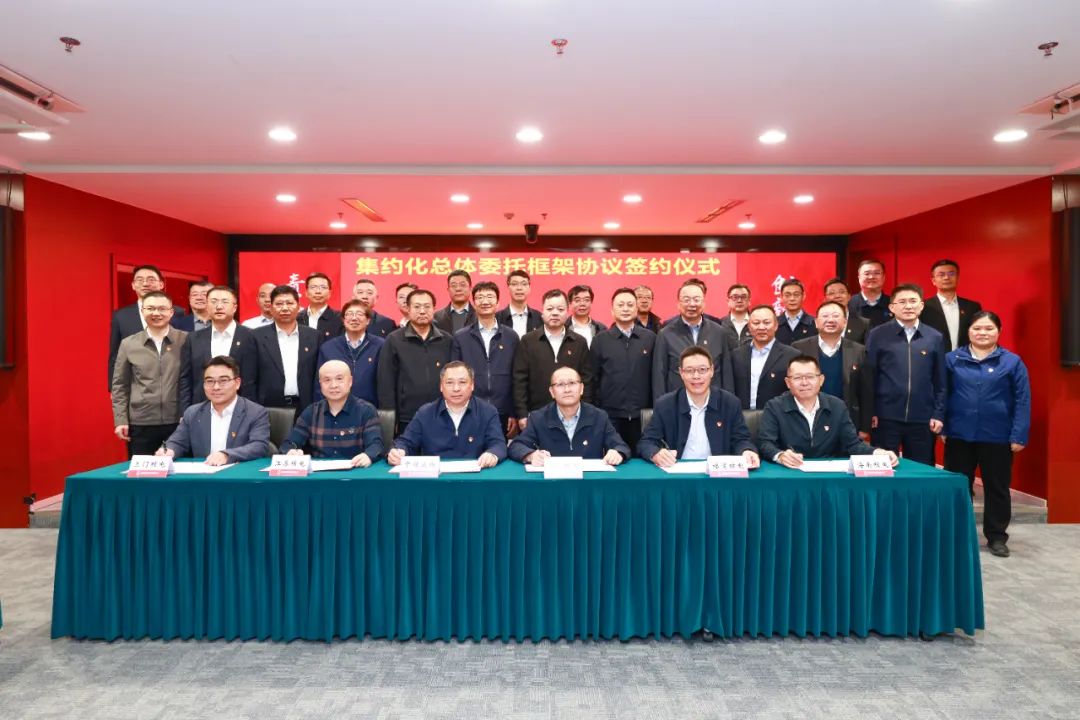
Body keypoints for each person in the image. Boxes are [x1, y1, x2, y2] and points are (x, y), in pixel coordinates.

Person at [944, 311, 1030, 557]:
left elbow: (1023, 400)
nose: (982, 333)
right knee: (959, 487)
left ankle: (997, 537)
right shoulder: (952, 359)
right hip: (959, 435)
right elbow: (943, 394)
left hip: (998, 436)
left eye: (988, 328)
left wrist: (1019, 434)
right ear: (968, 331)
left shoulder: (1012, 362)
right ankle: (958, 534)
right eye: (977, 328)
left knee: (997, 488)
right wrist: (944, 426)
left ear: (999, 332)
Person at [758, 355, 898, 468]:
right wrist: (780, 455)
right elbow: (765, 443)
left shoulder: (837, 406)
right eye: (797, 378)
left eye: (810, 377)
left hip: (828, 474)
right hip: (790, 471)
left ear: (821, 380)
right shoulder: (774, 406)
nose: (804, 382)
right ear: (788, 383)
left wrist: (878, 453)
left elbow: (852, 445)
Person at [865, 284, 946, 466]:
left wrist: (938, 413)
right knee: (883, 470)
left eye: (913, 301)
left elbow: (940, 380)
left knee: (921, 471)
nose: (908, 306)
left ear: (921, 305)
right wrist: (872, 412)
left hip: (922, 418)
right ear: (892, 307)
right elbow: (870, 377)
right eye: (902, 302)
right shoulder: (878, 334)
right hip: (885, 417)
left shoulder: (934, 337)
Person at [638, 347, 760, 468]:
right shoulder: (665, 405)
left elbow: (741, 440)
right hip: (678, 471)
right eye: (689, 370)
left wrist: (746, 451)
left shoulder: (730, 403)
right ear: (681, 373)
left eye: (702, 370)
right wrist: (656, 454)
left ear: (711, 371)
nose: (696, 376)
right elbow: (646, 442)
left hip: (717, 473)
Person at [111, 291, 189, 457]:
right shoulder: (128, 344)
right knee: (143, 471)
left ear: (171, 312)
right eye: (150, 308)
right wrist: (120, 420)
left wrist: (189, 415)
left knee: (180, 470)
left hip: (178, 421)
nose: (156, 313)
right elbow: (120, 385)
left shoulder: (186, 340)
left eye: (162, 308)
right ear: (142, 311)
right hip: (141, 423)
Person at [388, 361, 505, 467]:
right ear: (441, 386)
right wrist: (399, 451)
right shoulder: (425, 413)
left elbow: (498, 444)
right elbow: (405, 442)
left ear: (472, 385)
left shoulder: (488, 411)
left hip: (475, 478)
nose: (456, 388)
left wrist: (492, 454)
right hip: (436, 478)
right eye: (449, 383)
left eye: (462, 382)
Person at [158, 356, 270, 464]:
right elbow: (177, 442)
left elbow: (259, 446)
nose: (216, 387)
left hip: (239, 473)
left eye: (223, 381)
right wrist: (168, 450)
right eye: (210, 381)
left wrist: (226, 455)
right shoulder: (193, 413)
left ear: (237, 383)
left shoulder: (255, 412)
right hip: (204, 473)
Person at [509, 367, 630, 465]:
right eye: (560, 384)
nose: (567, 389)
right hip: (552, 482)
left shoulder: (599, 417)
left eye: (572, 383)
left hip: (589, 481)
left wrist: (617, 453)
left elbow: (621, 446)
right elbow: (516, 446)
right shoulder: (538, 418)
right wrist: (531, 455)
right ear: (552, 391)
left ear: (581, 388)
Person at [512, 289, 594, 427]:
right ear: (542, 312)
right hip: (536, 415)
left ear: (567, 312)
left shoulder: (579, 342)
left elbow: (587, 380)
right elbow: (519, 380)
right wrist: (522, 414)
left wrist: (586, 411)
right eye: (550, 309)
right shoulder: (528, 341)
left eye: (560, 309)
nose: (555, 313)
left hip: (573, 414)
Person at [280, 360, 384, 466]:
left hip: (355, 470)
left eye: (339, 379)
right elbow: (289, 443)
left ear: (350, 381)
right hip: (320, 473)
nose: (333, 385)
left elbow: (376, 445)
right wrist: (291, 451)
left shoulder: (366, 411)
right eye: (327, 380)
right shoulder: (311, 412)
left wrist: (368, 456)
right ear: (320, 384)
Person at [377, 288, 454, 432]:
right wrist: (390, 417)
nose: (422, 311)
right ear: (408, 309)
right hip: (407, 417)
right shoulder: (394, 340)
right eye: (417, 307)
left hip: (442, 414)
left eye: (427, 306)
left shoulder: (446, 340)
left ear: (434, 308)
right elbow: (385, 381)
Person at [792, 300, 873, 437]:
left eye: (836, 316)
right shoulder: (799, 348)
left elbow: (866, 390)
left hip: (847, 419)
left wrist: (865, 427)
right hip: (806, 418)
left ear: (845, 322)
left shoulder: (859, 350)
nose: (830, 320)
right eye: (825, 316)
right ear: (816, 322)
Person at [590, 287, 656, 449]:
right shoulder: (600, 340)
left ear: (636, 309)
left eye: (630, 305)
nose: (625, 309)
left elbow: (656, 376)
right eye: (620, 305)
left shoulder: (650, 338)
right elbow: (593, 378)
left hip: (642, 415)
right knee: (613, 456)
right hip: (610, 415)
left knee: (643, 457)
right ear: (612, 310)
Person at [451, 281, 520, 435]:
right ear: (474, 303)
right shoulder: (461, 337)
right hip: (469, 409)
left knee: (499, 448)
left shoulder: (511, 337)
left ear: (498, 302)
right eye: (480, 297)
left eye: (490, 297)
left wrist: (513, 412)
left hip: (502, 411)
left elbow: (517, 376)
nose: (485, 301)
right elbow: (455, 376)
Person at [652, 280, 736, 401]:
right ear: (678, 304)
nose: (692, 304)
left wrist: (728, 402)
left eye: (696, 300)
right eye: (686, 300)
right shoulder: (665, 334)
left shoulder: (719, 332)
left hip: (713, 401)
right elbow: (659, 374)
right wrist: (661, 405)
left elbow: (726, 372)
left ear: (704, 303)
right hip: (678, 402)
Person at [178, 285, 259, 412]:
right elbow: (185, 379)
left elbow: (256, 378)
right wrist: (185, 411)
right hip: (201, 408)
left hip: (241, 408)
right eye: (214, 301)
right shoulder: (193, 339)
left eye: (225, 302)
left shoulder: (251, 337)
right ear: (207, 306)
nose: (219, 306)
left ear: (234, 307)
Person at [107, 264, 186, 388]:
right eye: (140, 280)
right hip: (135, 384)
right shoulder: (120, 316)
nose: (145, 284)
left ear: (161, 284)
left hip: (171, 384)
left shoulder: (178, 312)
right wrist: (113, 388)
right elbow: (115, 356)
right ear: (133, 285)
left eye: (151, 279)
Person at [252, 285, 319, 411]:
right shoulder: (256, 336)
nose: (284, 308)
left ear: (298, 307)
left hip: (306, 406)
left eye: (289, 303)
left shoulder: (314, 336)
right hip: (267, 407)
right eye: (279, 304)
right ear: (271, 308)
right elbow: (250, 378)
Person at [731, 305, 801, 410]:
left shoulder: (792, 356)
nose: (761, 327)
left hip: (777, 414)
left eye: (767, 323)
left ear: (776, 325)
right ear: (749, 327)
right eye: (756, 323)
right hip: (742, 414)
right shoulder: (736, 355)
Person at [316, 299, 384, 406]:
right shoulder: (328, 347)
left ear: (368, 320)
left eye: (359, 314)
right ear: (343, 320)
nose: (354, 318)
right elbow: (319, 383)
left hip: (370, 408)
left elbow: (386, 382)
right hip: (335, 408)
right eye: (349, 314)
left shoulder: (381, 346)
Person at [919, 259, 983, 353]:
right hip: (934, 359)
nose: (946, 277)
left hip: (965, 359)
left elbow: (979, 335)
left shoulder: (973, 307)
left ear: (958, 278)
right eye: (941, 275)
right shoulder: (922, 307)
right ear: (933, 280)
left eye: (951, 274)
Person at [297, 272, 343, 342]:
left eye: (323, 287)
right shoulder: (297, 318)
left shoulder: (340, 318)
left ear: (330, 293)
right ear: (306, 292)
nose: (318, 291)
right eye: (313, 287)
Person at [496, 269, 543, 337]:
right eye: (514, 284)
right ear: (508, 288)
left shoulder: (539, 317)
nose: (519, 288)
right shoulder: (497, 318)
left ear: (529, 288)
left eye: (524, 284)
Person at [847, 259, 893, 328]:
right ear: (859, 278)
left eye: (877, 273)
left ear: (883, 277)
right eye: (867, 274)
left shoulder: (893, 304)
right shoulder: (848, 304)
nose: (871, 277)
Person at [823, 277, 869, 344]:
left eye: (842, 292)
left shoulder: (864, 324)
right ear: (825, 299)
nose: (837, 296)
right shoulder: (818, 323)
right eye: (831, 293)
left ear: (849, 296)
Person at [774, 279, 817, 346]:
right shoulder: (774, 324)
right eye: (787, 295)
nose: (792, 299)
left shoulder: (815, 323)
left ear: (803, 296)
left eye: (796, 295)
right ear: (781, 297)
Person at [433, 269, 475, 333]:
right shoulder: (437, 317)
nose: (458, 289)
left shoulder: (479, 316)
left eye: (462, 285)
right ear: (448, 290)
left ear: (470, 288)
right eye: (453, 285)